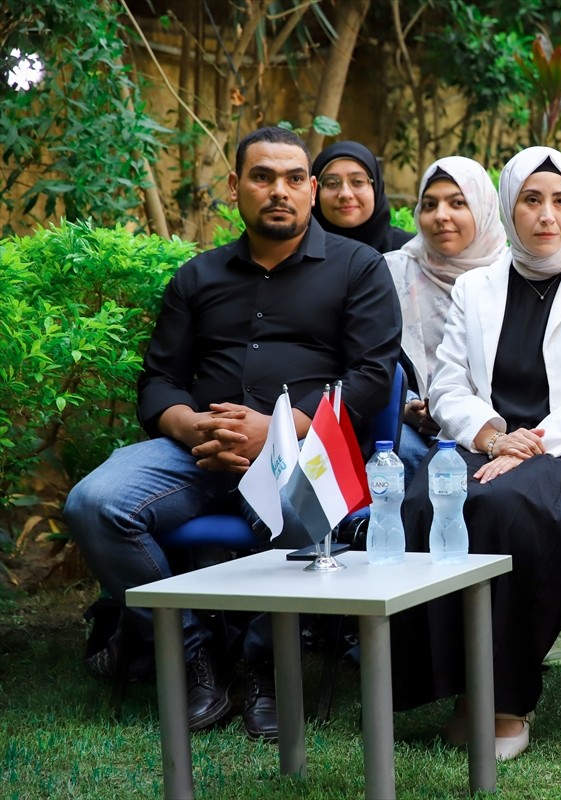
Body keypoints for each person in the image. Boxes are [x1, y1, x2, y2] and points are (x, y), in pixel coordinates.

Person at [63, 126, 402, 739]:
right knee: (94, 504)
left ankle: (263, 665)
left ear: (310, 189)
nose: (280, 191)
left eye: (295, 179)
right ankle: (195, 653)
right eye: (262, 177)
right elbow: (159, 381)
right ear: (234, 187)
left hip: (302, 451)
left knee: (302, 513)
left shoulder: (358, 267)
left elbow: (373, 378)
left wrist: (279, 430)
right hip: (196, 449)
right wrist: (190, 425)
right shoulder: (198, 276)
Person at [393, 146, 561, 761]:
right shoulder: (477, 286)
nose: (546, 215)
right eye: (531, 200)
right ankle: (457, 689)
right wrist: (489, 435)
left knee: (507, 507)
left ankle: (507, 701)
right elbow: (448, 384)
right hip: (490, 445)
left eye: (560, 200)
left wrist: (534, 444)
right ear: (509, 207)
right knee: (423, 501)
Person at [385, 156, 507, 482]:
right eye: (429, 204)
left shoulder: (512, 279)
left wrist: (466, 415)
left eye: (457, 203)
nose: (441, 216)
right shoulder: (392, 273)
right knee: (404, 453)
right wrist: (408, 407)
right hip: (414, 425)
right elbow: (371, 358)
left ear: (483, 208)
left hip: (496, 423)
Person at [311, 140, 414, 252]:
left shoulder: (411, 253)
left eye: (358, 182)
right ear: (315, 191)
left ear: (376, 188)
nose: (345, 194)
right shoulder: (296, 255)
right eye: (331, 183)